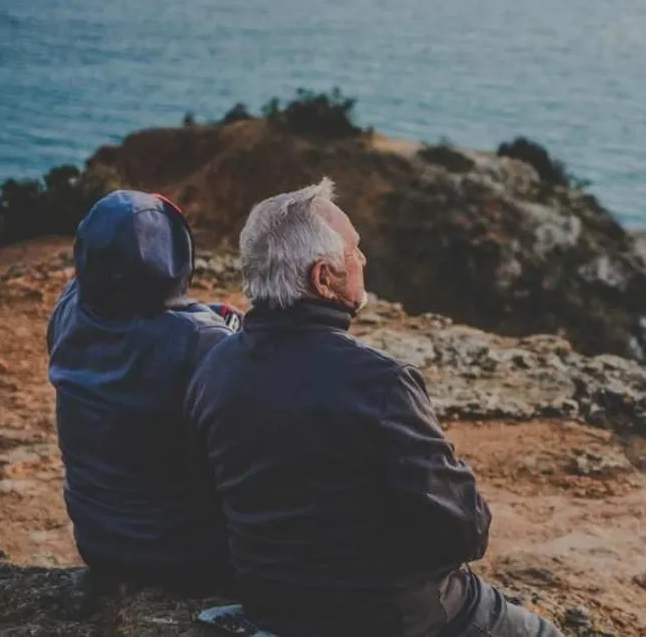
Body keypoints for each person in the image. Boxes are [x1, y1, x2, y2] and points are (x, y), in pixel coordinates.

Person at [185, 179, 561, 637]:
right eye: (354, 251)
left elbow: (207, 493)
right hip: (389, 616)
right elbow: (465, 531)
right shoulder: (379, 383)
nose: (363, 260)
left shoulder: (214, 365)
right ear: (323, 278)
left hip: (270, 603)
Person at [48, 190, 241, 596]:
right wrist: (228, 326)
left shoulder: (69, 309)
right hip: (189, 554)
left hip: (97, 541)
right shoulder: (204, 342)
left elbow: (135, 310)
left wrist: (201, 314)